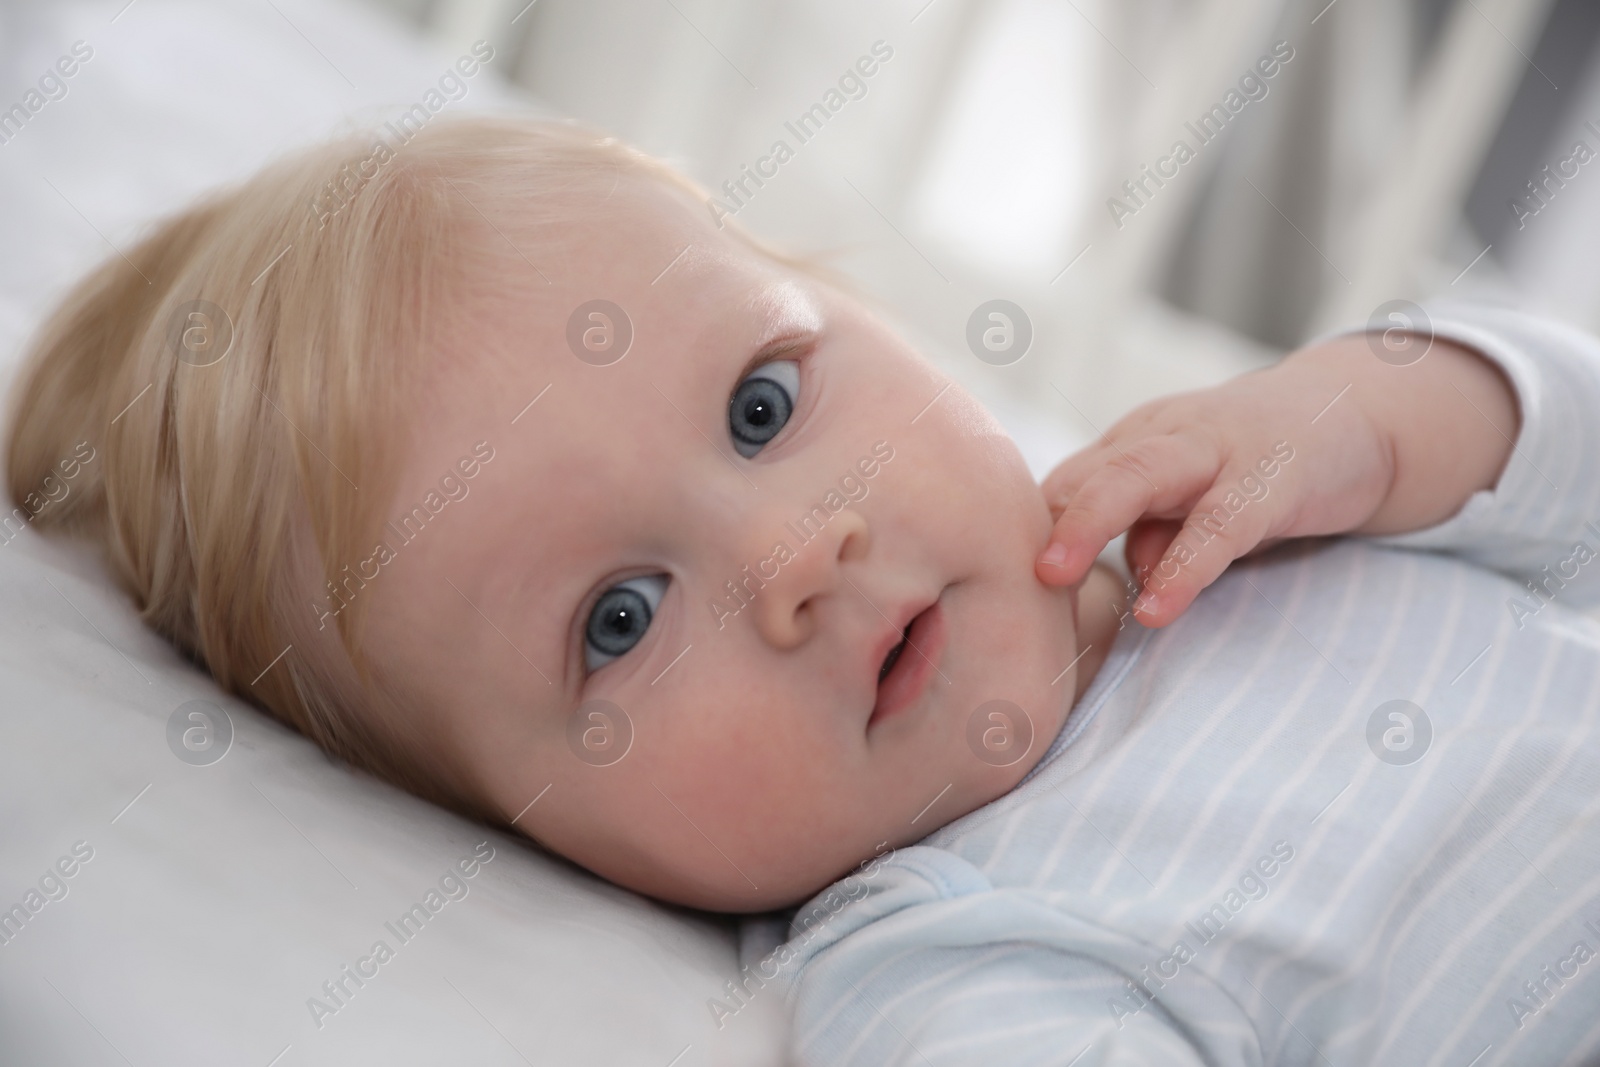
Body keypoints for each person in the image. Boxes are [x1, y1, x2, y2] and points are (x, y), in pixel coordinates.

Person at [9, 115, 1598, 1064]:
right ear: (533, 835)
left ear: (857, 307)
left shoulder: (1237, 500)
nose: (794, 560)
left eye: (763, 407)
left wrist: (1385, 418)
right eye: (616, 624)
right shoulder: (955, 957)